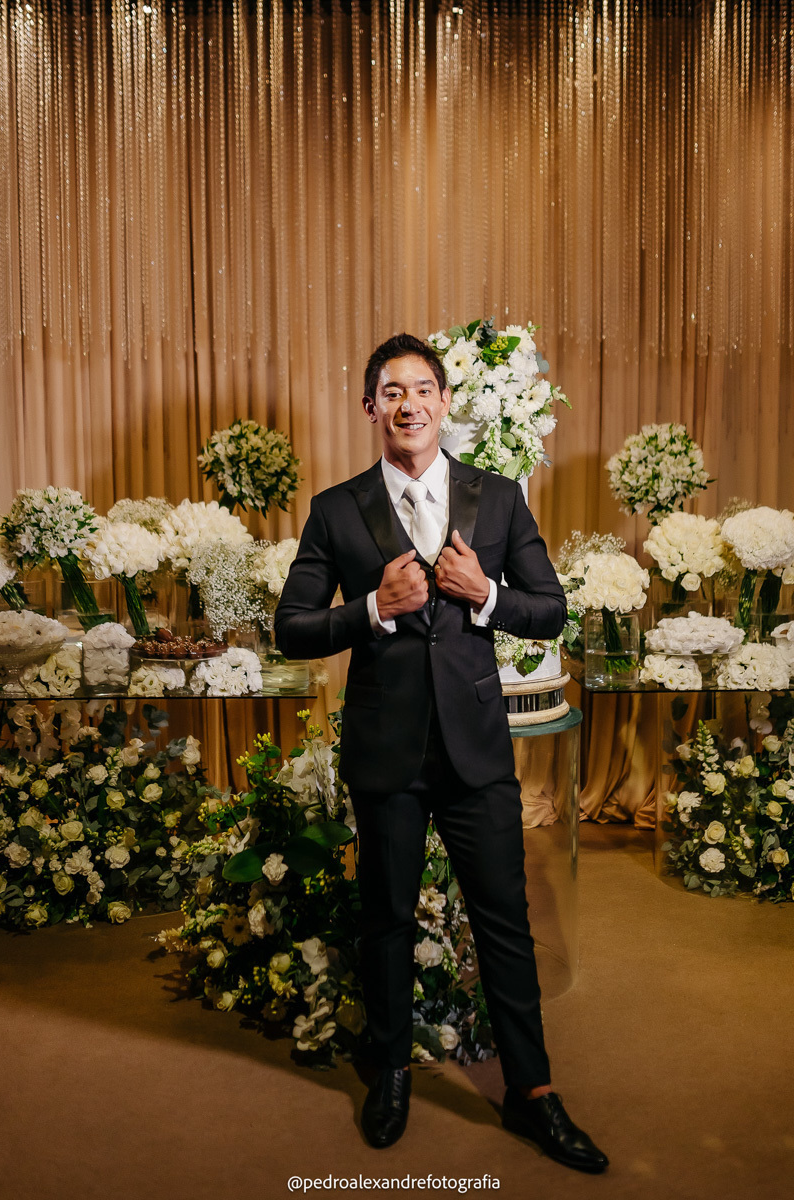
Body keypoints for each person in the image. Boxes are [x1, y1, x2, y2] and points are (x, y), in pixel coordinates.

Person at [274, 333, 608, 1175]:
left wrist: (486, 594)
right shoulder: (336, 509)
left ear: (445, 401)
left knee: (505, 923)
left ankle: (532, 1090)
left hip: (476, 752)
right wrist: (371, 609)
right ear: (370, 408)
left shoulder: (498, 499)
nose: (409, 404)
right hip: (385, 753)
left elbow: (550, 609)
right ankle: (390, 1072)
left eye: (423, 389)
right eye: (392, 392)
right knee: (386, 919)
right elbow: (292, 628)